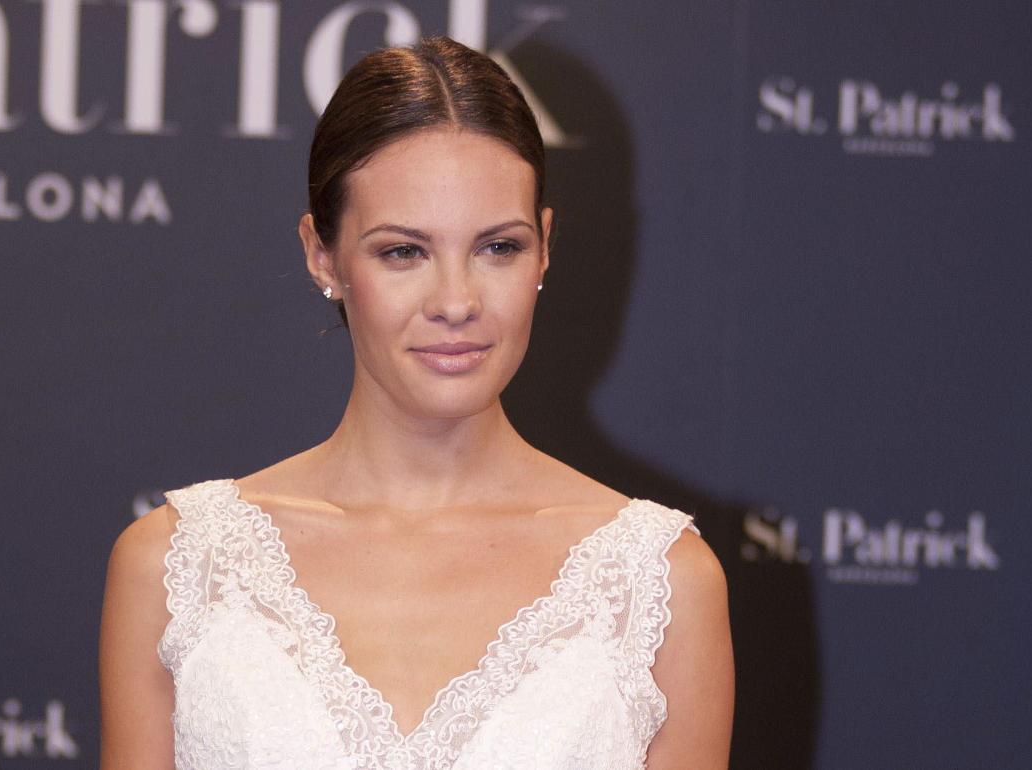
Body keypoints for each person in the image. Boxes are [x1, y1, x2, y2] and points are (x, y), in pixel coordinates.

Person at [99, 35, 733, 770]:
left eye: (498, 247)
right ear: (321, 255)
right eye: (403, 251)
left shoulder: (663, 583)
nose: (456, 302)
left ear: (544, 246)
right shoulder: (175, 567)